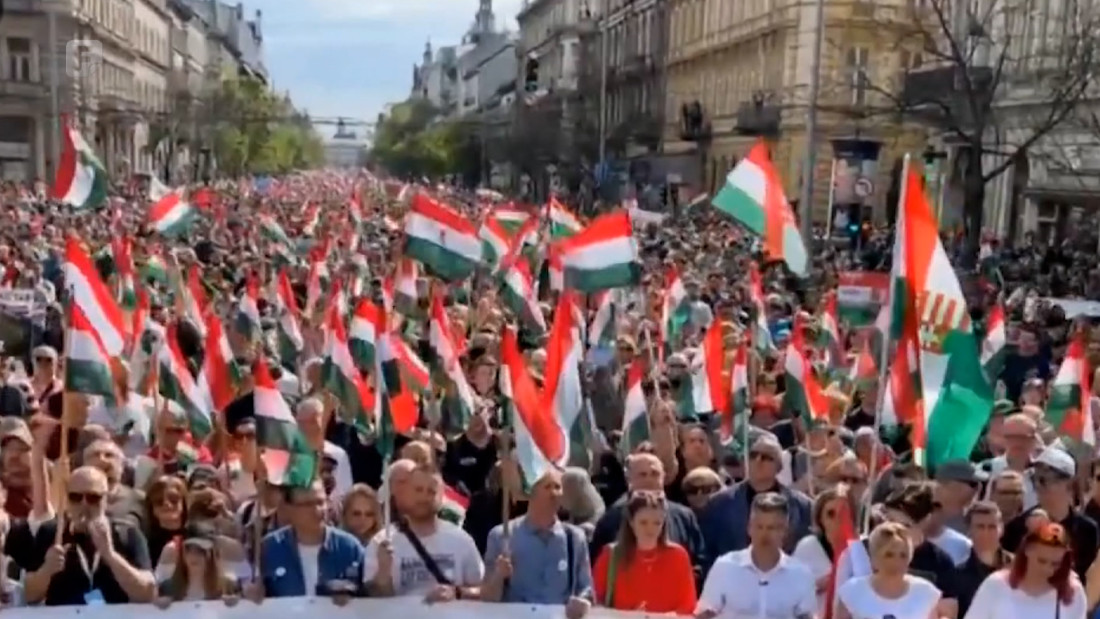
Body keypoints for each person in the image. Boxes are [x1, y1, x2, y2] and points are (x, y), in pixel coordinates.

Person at [8, 466, 155, 605]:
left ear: (106, 499)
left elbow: (148, 593)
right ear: (67, 499)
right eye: (76, 497)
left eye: (93, 498)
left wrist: (110, 555)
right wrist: (47, 570)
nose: (84, 505)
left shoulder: (127, 533)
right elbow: (29, 596)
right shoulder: (51, 532)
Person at [363, 463, 483, 600]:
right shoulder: (382, 541)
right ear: (407, 492)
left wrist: (457, 593)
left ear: (442, 496)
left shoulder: (462, 540)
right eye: (418, 490)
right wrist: (383, 574)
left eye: (431, 491)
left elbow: (483, 591)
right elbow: (372, 602)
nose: (424, 497)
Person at [482, 470, 593, 617]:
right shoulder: (502, 536)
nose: (554, 493)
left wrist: (582, 602)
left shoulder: (574, 539)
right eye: (547, 487)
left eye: (558, 487)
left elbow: (586, 589)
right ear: (531, 493)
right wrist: (499, 575)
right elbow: (487, 598)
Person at [696, 493, 816, 619]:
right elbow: (705, 613)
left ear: (785, 530)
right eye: (759, 527)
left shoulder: (801, 574)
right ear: (749, 528)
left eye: (772, 528)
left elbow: (807, 615)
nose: (764, 534)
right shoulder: (725, 567)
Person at [589, 453, 706, 581]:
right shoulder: (612, 518)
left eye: (655, 474)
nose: (649, 479)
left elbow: (700, 560)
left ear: (663, 478)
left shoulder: (684, 516)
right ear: (629, 480)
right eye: (642, 475)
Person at [248, 479, 365, 600]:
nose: (317, 510)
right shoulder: (269, 549)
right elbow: (249, 590)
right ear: (288, 508)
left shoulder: (350, 549)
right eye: (307, 504)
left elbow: (371, 596)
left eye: (320, 502)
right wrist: (250, 594)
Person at [699, 435, 813, 557]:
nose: (758, 460)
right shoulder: (719, 503)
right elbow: (708, 549)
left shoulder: (802, 506)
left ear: (779, 467)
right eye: (753, 455)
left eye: (766, 457)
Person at [1001, 445, 1099, 578]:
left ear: (1069, 484)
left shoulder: (1087, 530)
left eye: (1044, 480)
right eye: (1034, 479)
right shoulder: (1017, 527)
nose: (1037, 486)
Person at [592, 490, 695, 614]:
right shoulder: (611, 554)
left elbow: (688, 603)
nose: (650, 530)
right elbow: (596, 599)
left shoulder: (678, 555)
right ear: (631, 523)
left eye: (657, 523)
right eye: (643, 523)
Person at [964, 522, 1087, 619]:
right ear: (1027, 550)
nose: (1047, 569)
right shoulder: (996, 585)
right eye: (1042, 561)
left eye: (1055, 564)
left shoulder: (1073, 592)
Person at [836, 522, 941, 619]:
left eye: (903, 555)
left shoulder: (925, 593)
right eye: (889, 555)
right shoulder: (852, 591)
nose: (897, 561)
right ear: (874, 556)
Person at [152, 522, 240, 607]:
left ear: (212, 553)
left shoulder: (229, 587)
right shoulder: (167, 589)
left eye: (200, 550)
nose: (193, 555)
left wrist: (237, 604)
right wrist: (158, 605)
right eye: (188, 549)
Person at [793, 486, 849, 616]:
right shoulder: (808, 547)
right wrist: (818, 585)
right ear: (820, 519)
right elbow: (792, 593)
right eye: (830, 514)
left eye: (843, 512)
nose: (837, 519)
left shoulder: (862, 547)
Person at [956, 501, 1012, 618]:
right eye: (980, 527)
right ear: (969, 530)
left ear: (1001, 529)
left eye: (992, 527)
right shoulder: (958, 576)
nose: (986, 533)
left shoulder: (1018, 567)